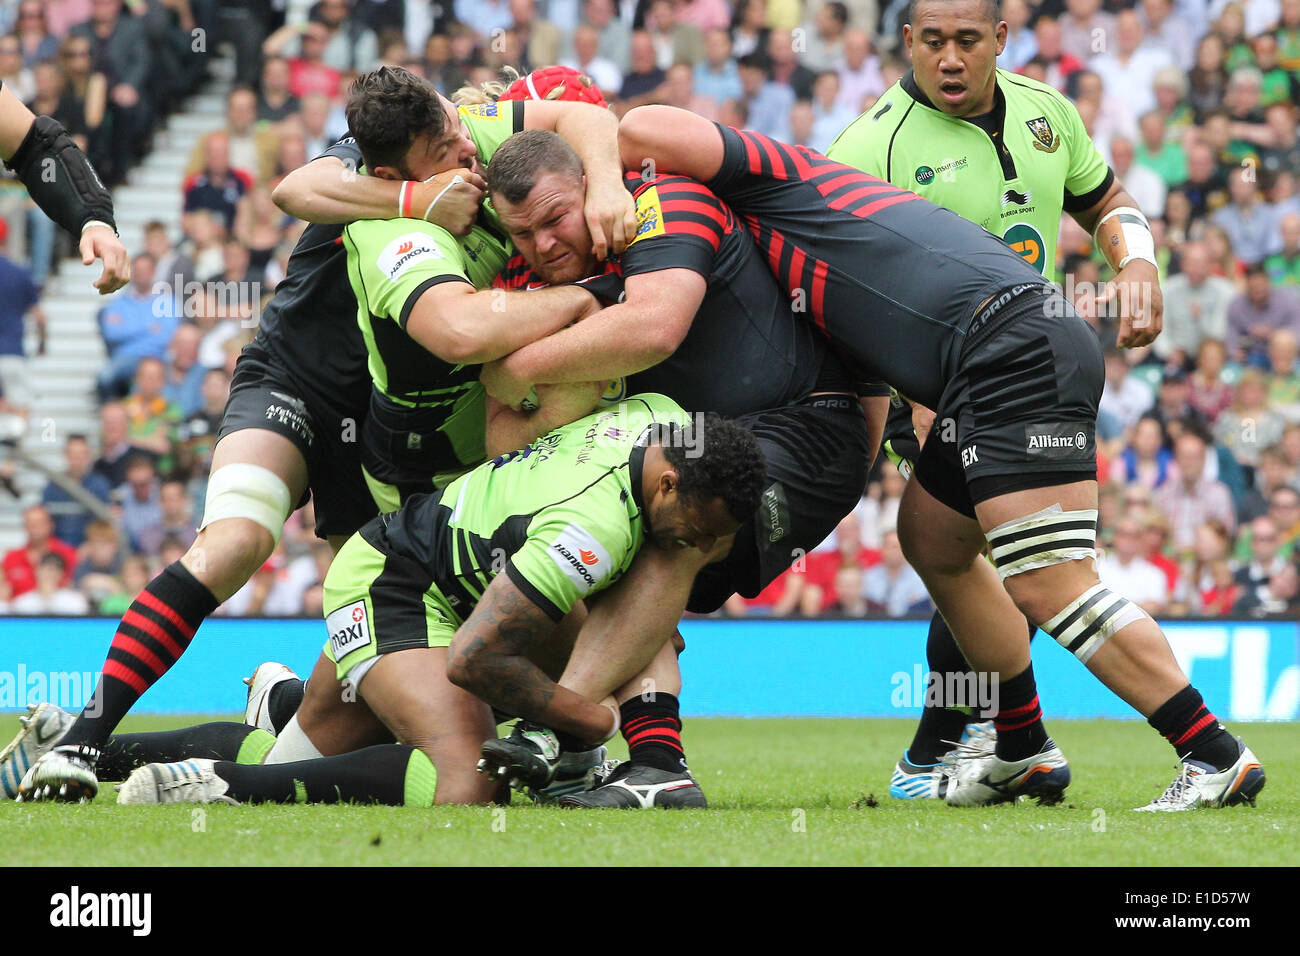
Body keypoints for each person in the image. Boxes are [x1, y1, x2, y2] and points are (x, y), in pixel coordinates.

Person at [607, 98, 1264, 811]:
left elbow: (641, 128)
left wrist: (607, 183)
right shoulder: (780, 251)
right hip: (989, 361)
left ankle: (1211, 752)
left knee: (1051, 582)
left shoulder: (774, 177)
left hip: (1012, 348)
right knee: (932, 537)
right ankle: (1020, 745)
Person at [15, 65, 638, 803]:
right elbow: (293, 191)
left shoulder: (490, 157)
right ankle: (85, 739)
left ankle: (233, 730)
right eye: (445, 148)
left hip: (378, 424)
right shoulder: (375, 194)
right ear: (388, 168)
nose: (466, 153)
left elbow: (592, 124)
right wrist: (426, 206)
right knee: (235, 543)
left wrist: (605, 185)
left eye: (460, 129)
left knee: (351, 697)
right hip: (293, 380)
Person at [822, 0, 1163, 799]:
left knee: (969, 561)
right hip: (932, 389)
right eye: (931, 41)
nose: (948, 59)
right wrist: (907, 397)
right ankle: (986, 739)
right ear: (907, 41)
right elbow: (840, 290)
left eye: (967, 42)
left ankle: (982, 739)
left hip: (1028, 368)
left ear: (1000, 41)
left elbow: (1106, 202)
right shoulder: (871, 146)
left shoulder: (1048, 114)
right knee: (971, 558)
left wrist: (1137, 264)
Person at [112, 399, 765, 808]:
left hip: (458, 571)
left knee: (300, 754)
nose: (696, 547)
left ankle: (88, 751)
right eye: (700, 529)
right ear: (670, 483)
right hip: (396, 587)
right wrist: (586, 723)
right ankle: (222, 785)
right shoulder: (589, 531)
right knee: (469, 781)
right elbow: (475, 659)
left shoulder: (659, 414)